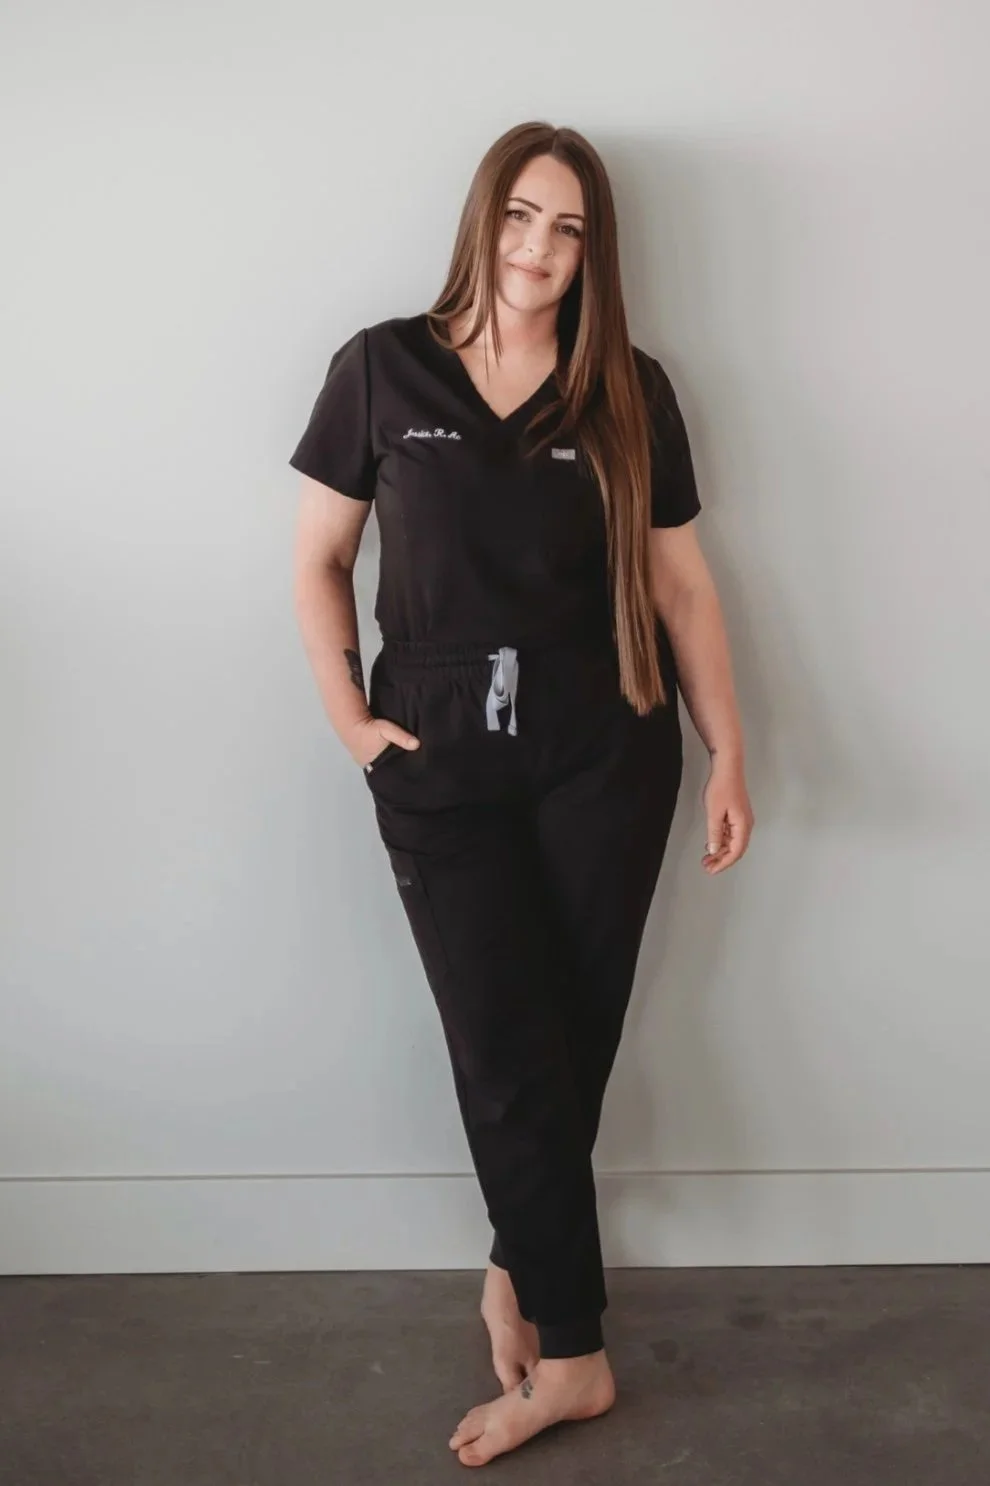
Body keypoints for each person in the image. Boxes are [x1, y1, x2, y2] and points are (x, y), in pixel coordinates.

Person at [289, 120, 754, 1468]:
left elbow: (678, 583)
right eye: (520, 217)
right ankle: (575, 1347)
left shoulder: (628, 387)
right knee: (501, 1041)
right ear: (480, 216)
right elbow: (320, 558)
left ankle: (536, 1293)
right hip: (437, 747)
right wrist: (354, 724)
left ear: (592, 251)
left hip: (610, 739)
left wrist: (729, 748)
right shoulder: (381, 369)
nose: (539, 250)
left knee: (570, 1030)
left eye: (568, 229)